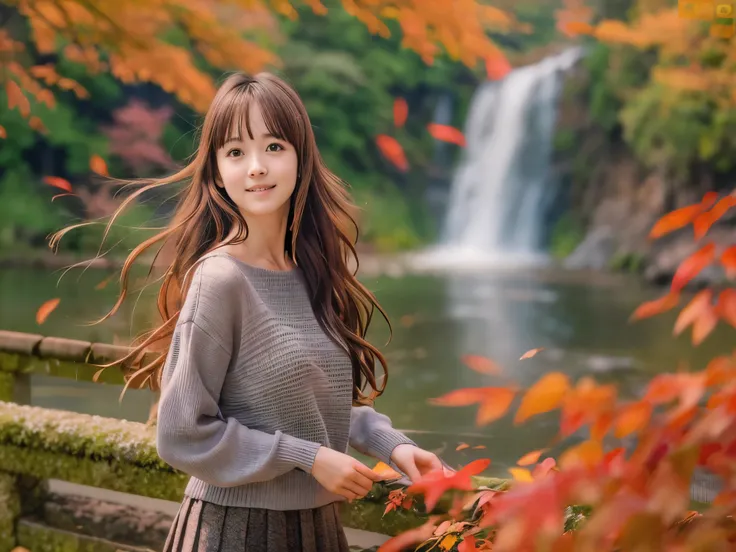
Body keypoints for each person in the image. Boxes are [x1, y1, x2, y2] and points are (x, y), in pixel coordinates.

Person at [54, 72, 446, 551]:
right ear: (218, 171)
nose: (256, 167)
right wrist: (307, 457)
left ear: (301, 157)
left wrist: (395, 445)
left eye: (274, 147)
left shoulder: (313, 273)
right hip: (234, 530)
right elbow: (180, 434)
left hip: (315, 528)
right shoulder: (221, 279)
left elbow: (311, 405)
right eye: (236, 152)